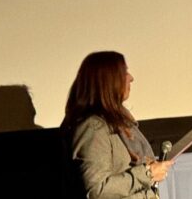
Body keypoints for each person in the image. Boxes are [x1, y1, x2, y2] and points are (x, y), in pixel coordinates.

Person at [62, 51, 172, 199]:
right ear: (108, 81)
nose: (131, 78)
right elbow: (97, 191)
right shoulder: (93, 129)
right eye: (124, 72)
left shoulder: (119, 123)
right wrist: (147, 173)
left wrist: (150, 170)